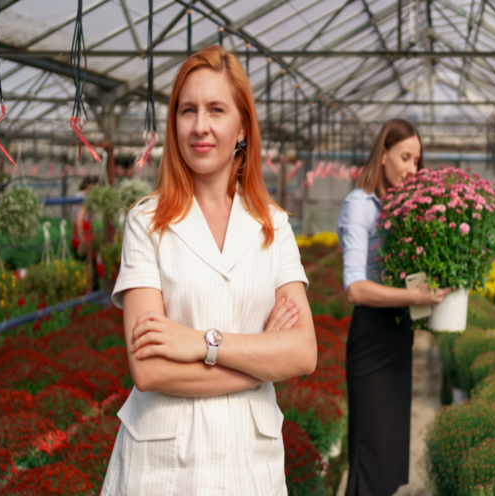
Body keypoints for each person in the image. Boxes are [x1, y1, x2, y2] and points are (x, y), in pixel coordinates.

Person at [100, 45, 316, 495]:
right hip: (162, 469)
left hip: (249, 466)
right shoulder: (147, 222)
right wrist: (262, 361)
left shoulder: (273, 226)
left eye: (216, 110)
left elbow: (302, 353)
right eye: (187, 110)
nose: (200, 126)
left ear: (242, 126)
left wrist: (200, 342)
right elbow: (149, 371)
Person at [337, 119, 452, 496]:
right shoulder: (361, 205)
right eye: (405, 157)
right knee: (370, 460)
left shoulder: (402, 209)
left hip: (398, 336)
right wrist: (416, 298)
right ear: (382, 153)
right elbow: (355, 288)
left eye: (417, 161)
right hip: (371, 341)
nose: (412, 168)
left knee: (388, 463)